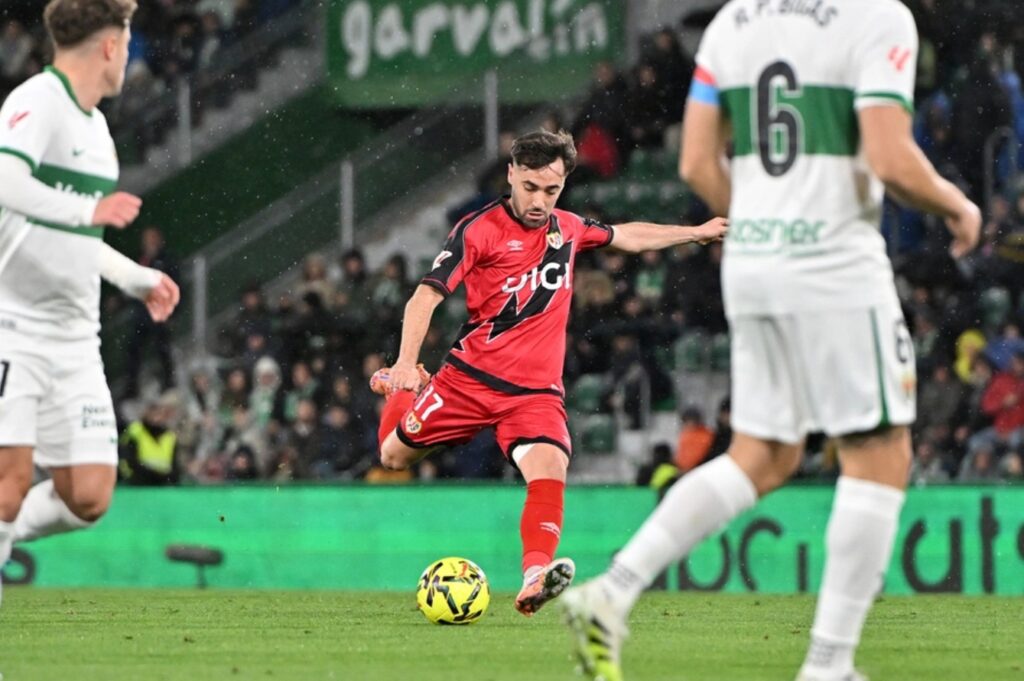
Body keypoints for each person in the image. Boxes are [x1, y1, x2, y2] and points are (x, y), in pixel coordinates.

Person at [562, 2, 981, 680]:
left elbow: (698, 162)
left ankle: (611, 591)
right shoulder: (877, 17)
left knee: (763, 453)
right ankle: (828, 664)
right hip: (834, 262)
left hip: (754, 265)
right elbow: (889, 155)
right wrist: (959, 206)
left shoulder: (736, 21)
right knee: (879, 452)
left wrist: (763, 223)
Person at [370, 129, 727, 617]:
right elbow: (426, 294)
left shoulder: (568, 227)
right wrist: (407, 365)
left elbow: (628, 236)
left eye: (552, 190)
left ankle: (534, 577)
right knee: (392, 457)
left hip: (534, 394)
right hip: (467, 381)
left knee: (549, 467)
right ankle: (401, 387)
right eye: (532, 188)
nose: (540, 201)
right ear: (512, 174)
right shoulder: (477, 231)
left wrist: (695, 232)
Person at [0, 0, 180, 604]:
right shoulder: (36, 102)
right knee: (9, 483)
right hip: (13, 326)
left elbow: (80, 240)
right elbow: (5, 181)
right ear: (108, 45)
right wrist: (86, 210)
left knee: (90, 496)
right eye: (127, 42)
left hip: (76, 340)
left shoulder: (97, 129)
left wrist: (135, 277)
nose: (129, 55)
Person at [124, 225, 179, 398]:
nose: (149, 243)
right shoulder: (140, 259)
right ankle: (131, 388)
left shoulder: (166, 261)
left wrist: (173, 313)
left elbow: (175, 287)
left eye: (152, 238)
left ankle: (168, 382)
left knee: (162, 348)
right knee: (134, 350)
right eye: (146, 239)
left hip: (160, 314)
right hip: (142, 314)